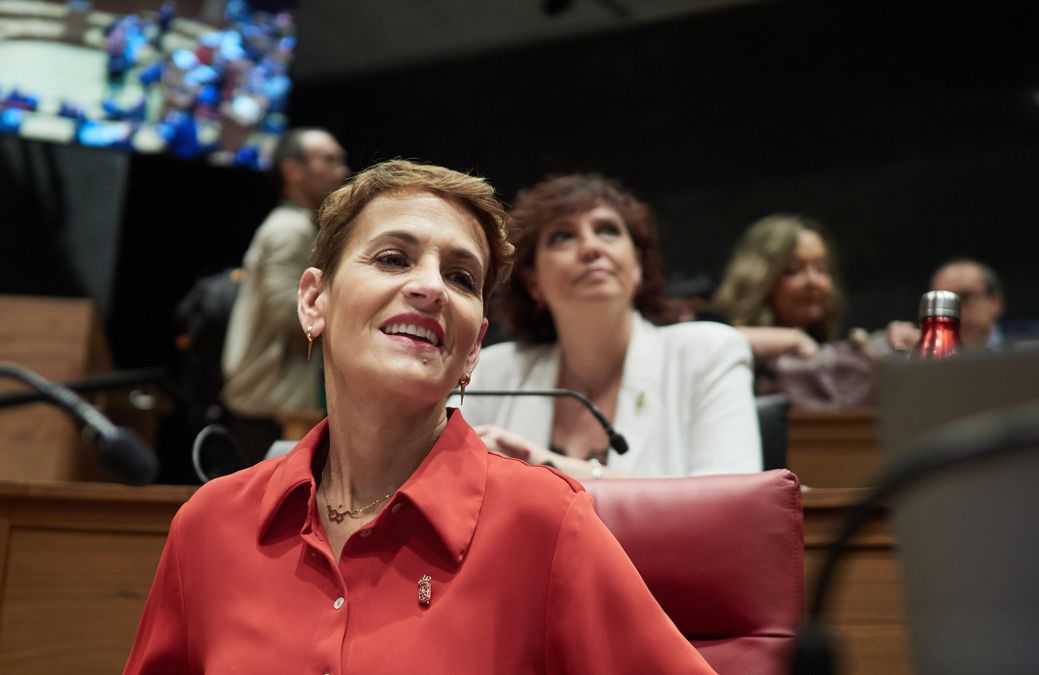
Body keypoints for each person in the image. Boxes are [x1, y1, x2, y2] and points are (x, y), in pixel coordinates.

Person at [123, 160, 715, 674]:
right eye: (392, 258)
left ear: (475, 346)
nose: (430, 287)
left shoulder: (546, 523)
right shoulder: (208, 526)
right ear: (313, 301)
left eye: (461, 277)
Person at [460, 174, 761, 479]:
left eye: (607, 230)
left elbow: (731, 502)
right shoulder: (492, 372)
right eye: (562, 237)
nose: (591, 248)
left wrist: (551, 466)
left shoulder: (709, 353)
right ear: (533, 281)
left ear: (636, 267)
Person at [217, 127, 348, 464]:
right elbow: (288, 312)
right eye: (329, 160)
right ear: (292, 169)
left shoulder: (296, 224)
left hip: (274, 400)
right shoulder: (290, 229)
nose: (342, 171)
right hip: (270, 404)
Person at [710, 213, 846, 366]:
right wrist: (793, 340)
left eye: (821, 269)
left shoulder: (830, 350)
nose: (813, 281)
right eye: (793, 270)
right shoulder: (723, 344)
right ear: (758, 279)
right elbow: (706, 342)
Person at [930, 257, 1006, 350]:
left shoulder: (1026, 351)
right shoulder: (922, 354)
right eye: (945, 303)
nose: (955, 314)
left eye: (966, 298)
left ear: (996, 302)